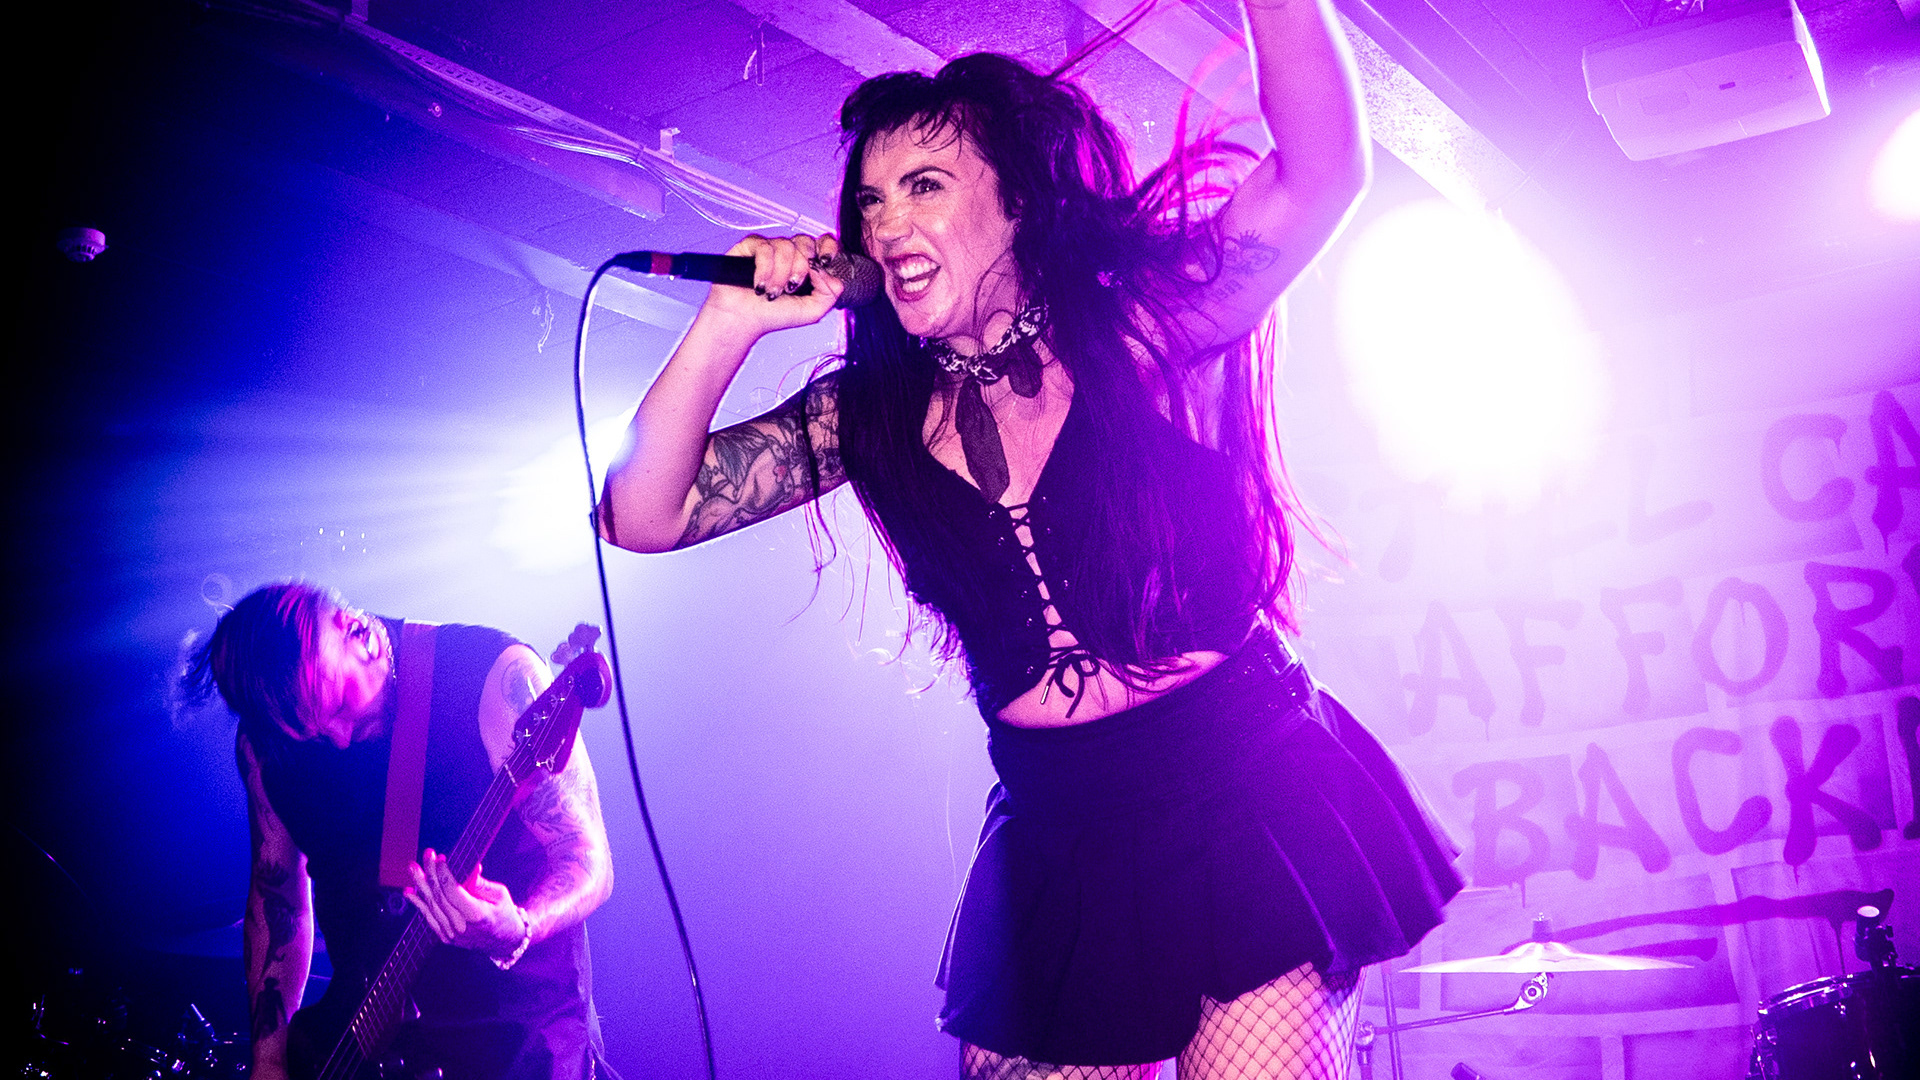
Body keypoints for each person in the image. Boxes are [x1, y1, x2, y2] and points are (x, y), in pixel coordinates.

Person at [597, 2, 1460, 1077]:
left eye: (924, 186)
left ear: (1017, 202)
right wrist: (728, 321)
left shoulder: (1142, 328)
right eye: (870, 200)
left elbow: (1322, 172)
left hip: (1240, 781)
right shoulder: (866, 417)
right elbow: (641, 515)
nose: (886, 224)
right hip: (1061, 827)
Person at [187, 581, 613, 1080]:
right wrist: (269, 1061)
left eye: (339, 706)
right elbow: (277, 896)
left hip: (520, 1038)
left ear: (359, 634)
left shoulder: (491, 674)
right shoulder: (267, 743)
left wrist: (517, 928)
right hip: (374, 1046)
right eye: (313, 731)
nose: (338, 737)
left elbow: (587, 857)